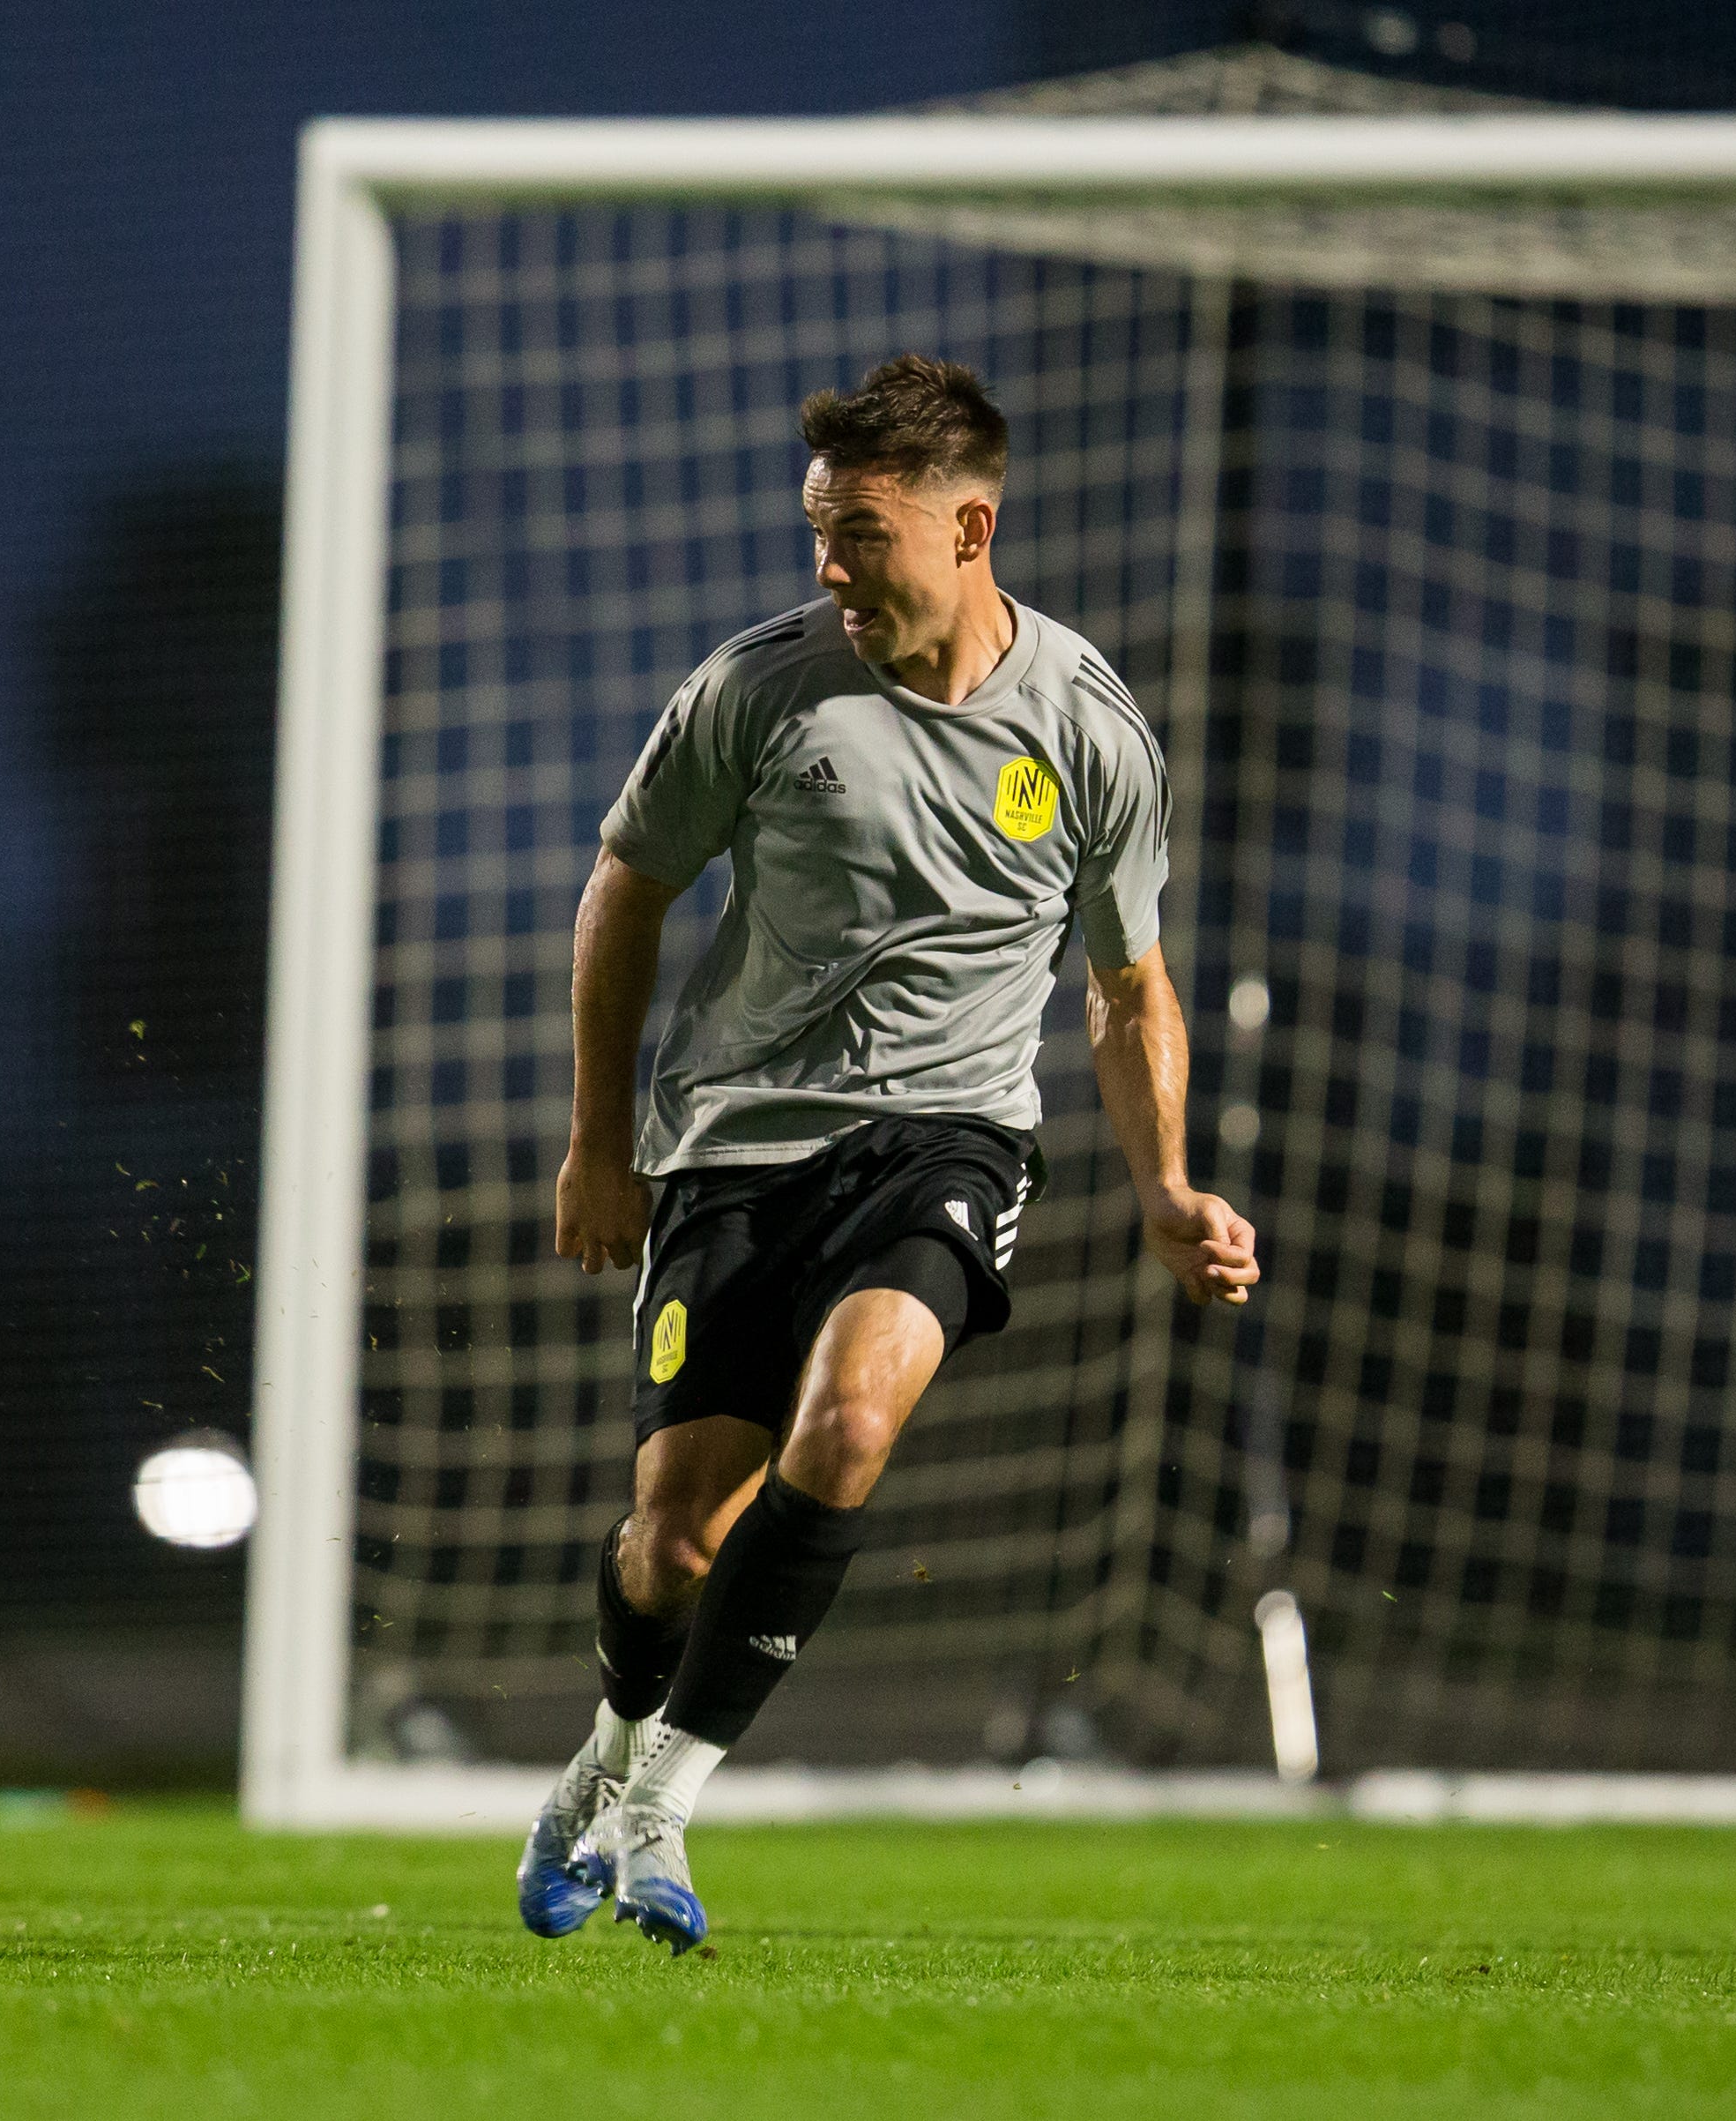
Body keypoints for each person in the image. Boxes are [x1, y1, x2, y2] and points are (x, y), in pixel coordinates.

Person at [515, 355, 1261, 1953]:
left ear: (970, 526)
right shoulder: (758, 689)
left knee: (849, 1425)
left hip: (949, 1142)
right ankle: (606, 1748)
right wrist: (597, 1140)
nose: (830, 568)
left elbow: (1130, 988)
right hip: (730, 1149)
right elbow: (621, 893)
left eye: (859, 532)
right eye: (818, 535)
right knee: (669, 1543)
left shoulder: (1089, 729)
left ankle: (664, 1802)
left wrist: (1165, 1186)